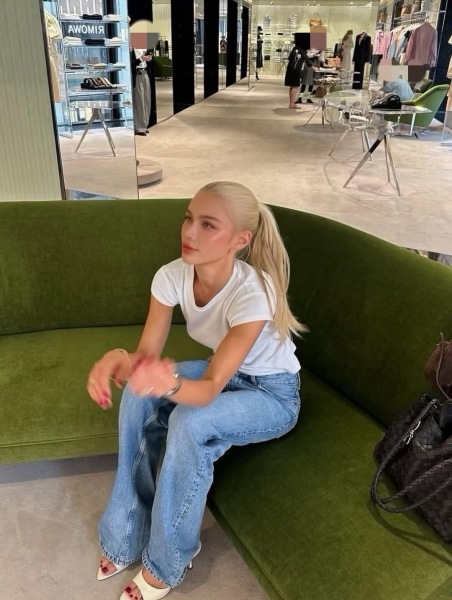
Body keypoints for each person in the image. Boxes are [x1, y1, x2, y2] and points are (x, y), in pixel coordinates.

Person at [87, 181, 304, 600]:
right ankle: (125, 532)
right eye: (189, 218)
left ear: (240, 240)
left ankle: (167, 561)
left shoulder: (254, 292)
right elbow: (146, 358)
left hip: (272, 394)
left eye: (208, 225)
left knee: (189, 422)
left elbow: (206, 391)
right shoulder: (171, 276)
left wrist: (168, 383)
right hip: (224, 373)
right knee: (137, 395)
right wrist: (119, 359)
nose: (189, 232)